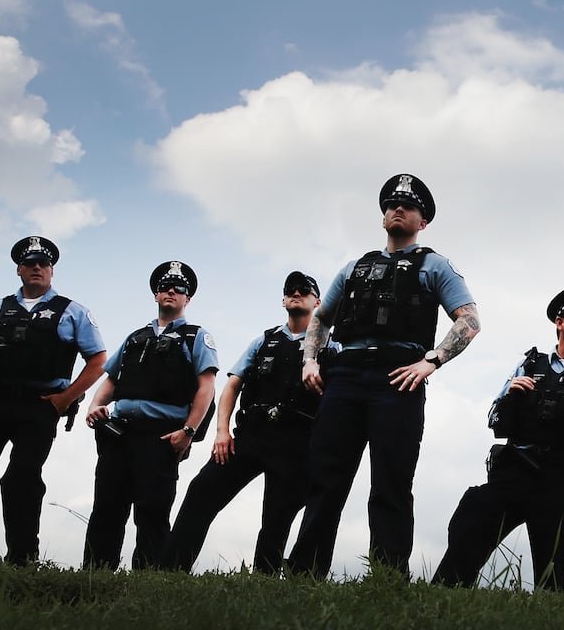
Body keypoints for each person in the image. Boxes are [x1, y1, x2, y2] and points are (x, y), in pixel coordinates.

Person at [288, 173, 480, 579]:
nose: (398, 209)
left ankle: (389, 577)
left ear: (422, 221)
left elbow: (470, 320)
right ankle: (304, 574)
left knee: (391, 483)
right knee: (325, 479)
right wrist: (310, 360)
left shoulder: (434, 265)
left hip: (399, 381)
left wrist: (432, 361)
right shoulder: (356, 266)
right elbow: (321, 318)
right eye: (392, 204)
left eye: (408, 206)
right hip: (344, 379)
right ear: (383, 217)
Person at [433, 284, 564, 591]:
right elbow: (494, 418)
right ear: (559, 322)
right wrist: (511, 395)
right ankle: (440, 598)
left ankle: (549, 625)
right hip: (515, 469)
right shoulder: (529, 364)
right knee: (471, 529)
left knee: (551, 571)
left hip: (562, 479)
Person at [0, 236, 108, 565]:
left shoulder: (72, 311)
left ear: (51, 271)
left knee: (22, 477)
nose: (36, 268)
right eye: (30, 263)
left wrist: (65, 399)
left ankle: (22, 557)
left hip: (39, 404)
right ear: (19, 269)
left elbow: (99, 360)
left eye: (43, 264)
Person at [162, 271, 331, 574]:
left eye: (304, 290)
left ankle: (263, 581)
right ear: (283, 299)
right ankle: (170, 571)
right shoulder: (265, 340)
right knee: (202, 490)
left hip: (297, 441)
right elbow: (232, 385)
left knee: (277, 519)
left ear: (317, 301)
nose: (296, 293)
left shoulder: (330, 345)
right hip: (250, 436)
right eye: (290, 290)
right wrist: (222, 432)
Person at [82, 261, 219, 570]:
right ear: (156, 295)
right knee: (106, 507)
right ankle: (95, 575)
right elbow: (111, 380)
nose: (171, 291)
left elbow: (206, 387)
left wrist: (189, 432)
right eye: (165, 287)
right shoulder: (135, 338)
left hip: (161, 436)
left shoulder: (196, 337)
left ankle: (148, 580)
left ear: (188, 299)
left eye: (179, 288)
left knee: (152, 512)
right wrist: (94, 406)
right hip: (119, 433)